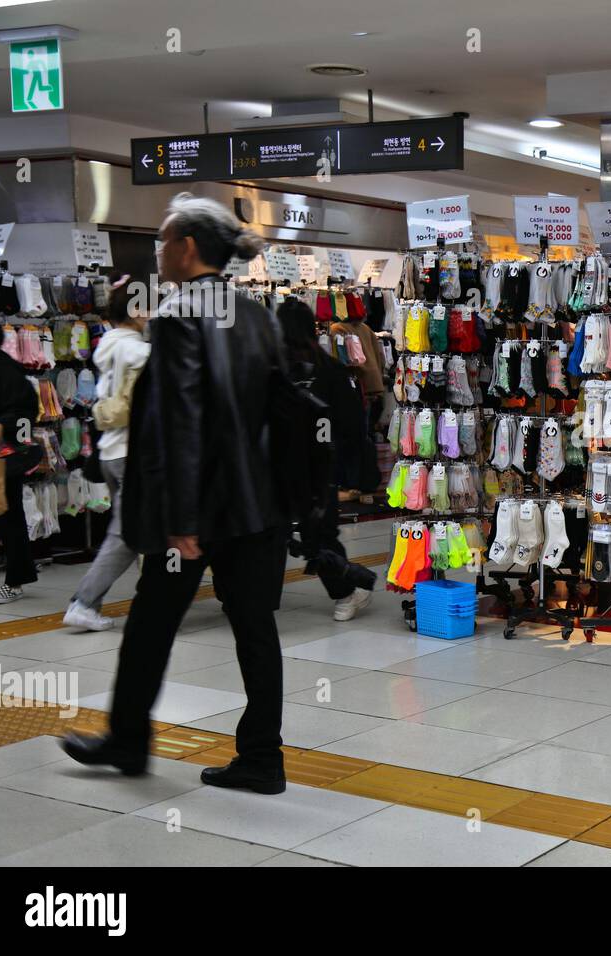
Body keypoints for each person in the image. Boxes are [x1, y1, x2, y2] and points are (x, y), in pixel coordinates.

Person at [63, 193, 291, 794]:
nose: (159, 252)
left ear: (187, 248)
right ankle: (263, 757)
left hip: (198, 511)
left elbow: (182, 423)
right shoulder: (257, 313)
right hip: (256, 504)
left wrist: (183, 521)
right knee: (254, 627)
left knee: (151, 622)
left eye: (163, 241)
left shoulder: (178, 314)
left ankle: (128, 742)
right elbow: (276, 410)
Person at [276, 297, 376, 620]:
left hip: (317, 469)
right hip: (287, 466)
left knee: (316, 534)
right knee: (289, 533)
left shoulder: (328, 372)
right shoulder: (282, 370)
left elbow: (348, 426)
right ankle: (259, 596)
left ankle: (348, 589)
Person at [62, 276, 150, 631]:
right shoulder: (136, 349)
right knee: (127, 534)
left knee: (137, 529)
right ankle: (84, 602)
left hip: (112, 450)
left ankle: (152, 595)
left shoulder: (108, 345)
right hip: (134, 452)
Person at [0, 303, 40, 604]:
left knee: (6, 515)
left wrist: (2, 425)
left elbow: (27, 412)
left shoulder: (3, 368)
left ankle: (15, 581)